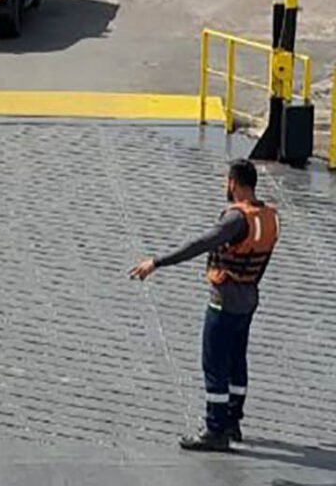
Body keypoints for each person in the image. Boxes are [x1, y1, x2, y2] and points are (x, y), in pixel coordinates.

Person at [129, 158, 280, 453]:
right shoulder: (270, 217)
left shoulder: (235, 219)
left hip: (224, 302)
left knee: (214, 363)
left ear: (233, 183)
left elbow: (201, 244)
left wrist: (157, 262)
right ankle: (232, 421)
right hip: (249, 300)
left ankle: (215, 429)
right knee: (237, 360)